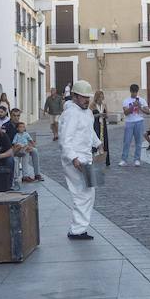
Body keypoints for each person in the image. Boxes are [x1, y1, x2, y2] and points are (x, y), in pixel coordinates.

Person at [60, 80, 102, 240]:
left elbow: (90, 132)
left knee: (89, 192)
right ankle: (77, 230)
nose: (87, 100)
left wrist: (98, 144)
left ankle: (79, 228)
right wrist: (73, 158)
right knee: (81, 193)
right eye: (84, 97)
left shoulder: (87, 113)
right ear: (75, 97)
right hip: (75, 160)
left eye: (88, 97)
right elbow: (65, 139)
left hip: (86, 157)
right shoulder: (71, 113)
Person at [119, 83, 147, 167]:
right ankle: (124, 160)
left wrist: (140, 106)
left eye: (136, 92)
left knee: (138, 142)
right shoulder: (126, 101)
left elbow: (148, 112)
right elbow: (126, 113)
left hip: (139, 121)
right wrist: (133, 106)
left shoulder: (142, 100)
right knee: (127, 141)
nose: (134, 94)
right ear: (130, 91)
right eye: (133, 92)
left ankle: (137, 159)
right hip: (129, 122)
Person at [91, 91, 111, 167]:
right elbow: (90, 115)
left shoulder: (104, 105)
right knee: (96, 140)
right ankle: (95, 158)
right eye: (100, 97)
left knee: (104, 141)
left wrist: (105, 115)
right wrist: (99, 114)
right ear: (97, 97)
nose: (101, 99)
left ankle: (106, 160)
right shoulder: (93, 105)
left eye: (102, 97)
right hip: (96, 124)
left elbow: (107, 115)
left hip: (103, 124)